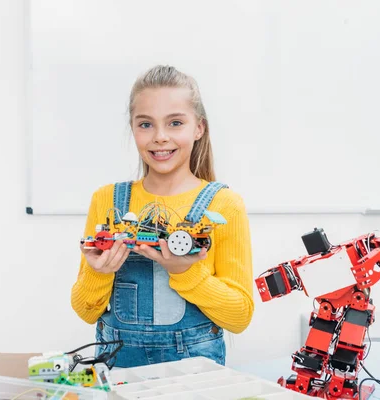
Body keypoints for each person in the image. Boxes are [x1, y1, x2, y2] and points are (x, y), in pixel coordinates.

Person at [71, 65, 254, 367]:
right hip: (120, 367)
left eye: (175, 123)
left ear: (199, 128)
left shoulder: (224, 205)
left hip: (194, 377)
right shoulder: (107, 201)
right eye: (145, 125)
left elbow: (239, 317)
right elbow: (86, 311)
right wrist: (99, 271)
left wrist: (185, 271)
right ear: (132, 128)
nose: (159, 137)